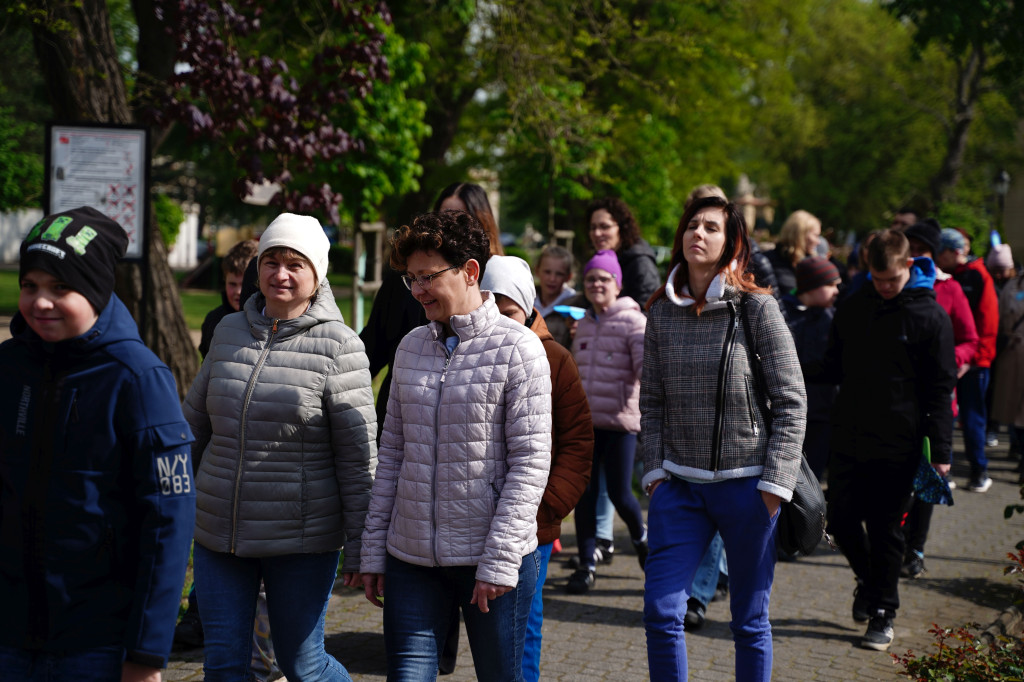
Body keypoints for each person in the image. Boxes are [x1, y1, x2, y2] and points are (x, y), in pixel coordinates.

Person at [0, 207, 196, 682]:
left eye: (60, 288)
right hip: (9, 634)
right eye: (30, 286)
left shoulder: (138, 378)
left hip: (96, 643)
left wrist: (147, 652)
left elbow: (168, 520)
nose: (40, 302)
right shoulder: (8, 367)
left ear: (96, 290)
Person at [183, 213, 378, 681]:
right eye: (271, 261)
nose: (281, 274)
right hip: (220, 535)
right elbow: (193, 425)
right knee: (224, 665)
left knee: (301, 664)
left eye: (296, 263)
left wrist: (361, 549)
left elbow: (358, 459)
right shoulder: (229, 331)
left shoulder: (340, 345)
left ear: (318, 275)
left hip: (300, 541)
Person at [359, 210, 552, 682]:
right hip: (411, 557)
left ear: (469, 271)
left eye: (428, 277)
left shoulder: (518, 348)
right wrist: (373, 550)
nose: (418, 290)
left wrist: (501, 559)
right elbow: (393, 457)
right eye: (411, 280)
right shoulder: (410, 348)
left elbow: (530, 463)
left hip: (491, 557)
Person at [641, 195, 806, 681]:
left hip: (749, 487)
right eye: (692, 225)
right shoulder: (660, 311)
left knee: (749, 621)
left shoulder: (756, 307)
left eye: (712, 227)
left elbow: (792, 401)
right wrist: (654, 473)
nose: (699, 234)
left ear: (731, 243)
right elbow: (651, 401)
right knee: (661, 611)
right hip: (679, 489)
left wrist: (775, 486)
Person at [809, 230, 955, 652]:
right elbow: (833, 365)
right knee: (837, 520)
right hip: (850, 433)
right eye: (878, 279)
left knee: (887, 528)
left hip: (901, 441)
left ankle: (883, 612)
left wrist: (941, 452)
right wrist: (789, 369)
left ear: (909, 267)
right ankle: (871, 582)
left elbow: (939, 391)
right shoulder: (854, 307)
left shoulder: (930, 318)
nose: (885, 287)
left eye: (892, 279)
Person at [480, 254, 594, 682]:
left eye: (508, 312)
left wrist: (547, 508)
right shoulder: (462, 352)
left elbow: (577, 443)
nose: (499, 322)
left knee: (522, 624)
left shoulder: (555, 359)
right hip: (470, 517)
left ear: (528, 309)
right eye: (488, 308)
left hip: (533, 522)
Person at [566, 250, 648, 595]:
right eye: (591, 279)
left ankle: (642, 539)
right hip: (587, 425)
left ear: (617, 284)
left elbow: (647, 370)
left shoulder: (633, 321)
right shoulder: (583, 322)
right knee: (584, 495)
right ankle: (586, 564)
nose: (597, 284)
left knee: (619, 492)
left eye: (604, 278)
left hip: (619, 424)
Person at [900, 220, 978, 578]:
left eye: (921, 249)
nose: (914, 254)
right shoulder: (890, 285)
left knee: (926, 476)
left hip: (935, 401)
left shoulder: (950, 289)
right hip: (894, 400)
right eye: (909, 247)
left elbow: (970, 340)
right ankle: (894, 541)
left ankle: (916, 547)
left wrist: (951, 363)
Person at [935, 227, 999, 492]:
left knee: (973, 418)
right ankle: (945, 470)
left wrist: (973, 360)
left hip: (974, 363)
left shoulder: (978, 276)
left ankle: (978, 472)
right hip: (954, 360)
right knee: (946, 417)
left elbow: (988, 323)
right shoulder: (953, 277)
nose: (938, 257)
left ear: (955, 252)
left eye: (942, 252)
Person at [781, 256, 842, 481]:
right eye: (831, 285)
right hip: (788, 411)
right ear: (811, 286)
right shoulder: (784, 314)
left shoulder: (832, 317)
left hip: (822, 412)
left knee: (812, 478)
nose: (837, 290)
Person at [586, 197, 661, 307]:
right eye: (593, 227)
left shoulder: (641, 263)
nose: (597, 233)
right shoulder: (598, 261)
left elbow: (650, 311)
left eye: (604, 227)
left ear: (622, 228)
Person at [198, 238, 258, 358]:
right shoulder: (213, 321)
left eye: (244, 284)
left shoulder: (266, 321)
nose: (238, 291)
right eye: (232, 284)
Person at [993, 257, 1024, 465]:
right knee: (1014, 408)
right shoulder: (1014, 285)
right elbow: (1001, 315)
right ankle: (1018, 449)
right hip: (1013, 352)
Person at [765, 209, 822, 296]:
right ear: (800, 235)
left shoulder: (811, 262)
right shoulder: (768, 261)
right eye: (816, 235)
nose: (818, 242)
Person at [533, 245, 578, 349]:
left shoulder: (574, 306)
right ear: (537, 271)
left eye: (559, 274)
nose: (552, 279)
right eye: (547, 272)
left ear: (568, 277)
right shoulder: (528, 300)